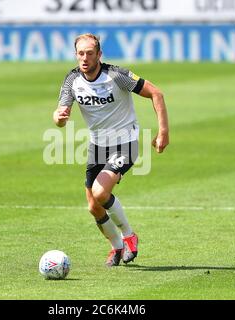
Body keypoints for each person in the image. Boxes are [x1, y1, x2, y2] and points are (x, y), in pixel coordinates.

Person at [53, 33, 169, 267]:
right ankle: (116, 247)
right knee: (93, 206)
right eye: (80, 53)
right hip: (97, 146)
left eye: (89, 53)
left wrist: (163, 131)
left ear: (99, 54)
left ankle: (129, 235)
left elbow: (156, 93)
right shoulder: (72, 80)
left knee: (99, 192)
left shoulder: (117, 76)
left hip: (125, 142)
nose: (84, 58)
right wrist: (59, 117)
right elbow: (60, 115)